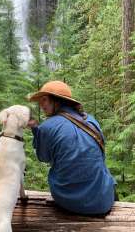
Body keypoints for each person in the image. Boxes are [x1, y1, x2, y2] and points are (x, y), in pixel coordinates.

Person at [28, 80, 116, 215]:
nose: (41, 105)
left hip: (70, 201)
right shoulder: (91, 120)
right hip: (103, 200)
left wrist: (36, 130)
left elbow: (43, 157)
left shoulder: (47, 127)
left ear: (56, 101)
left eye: (44, 100)